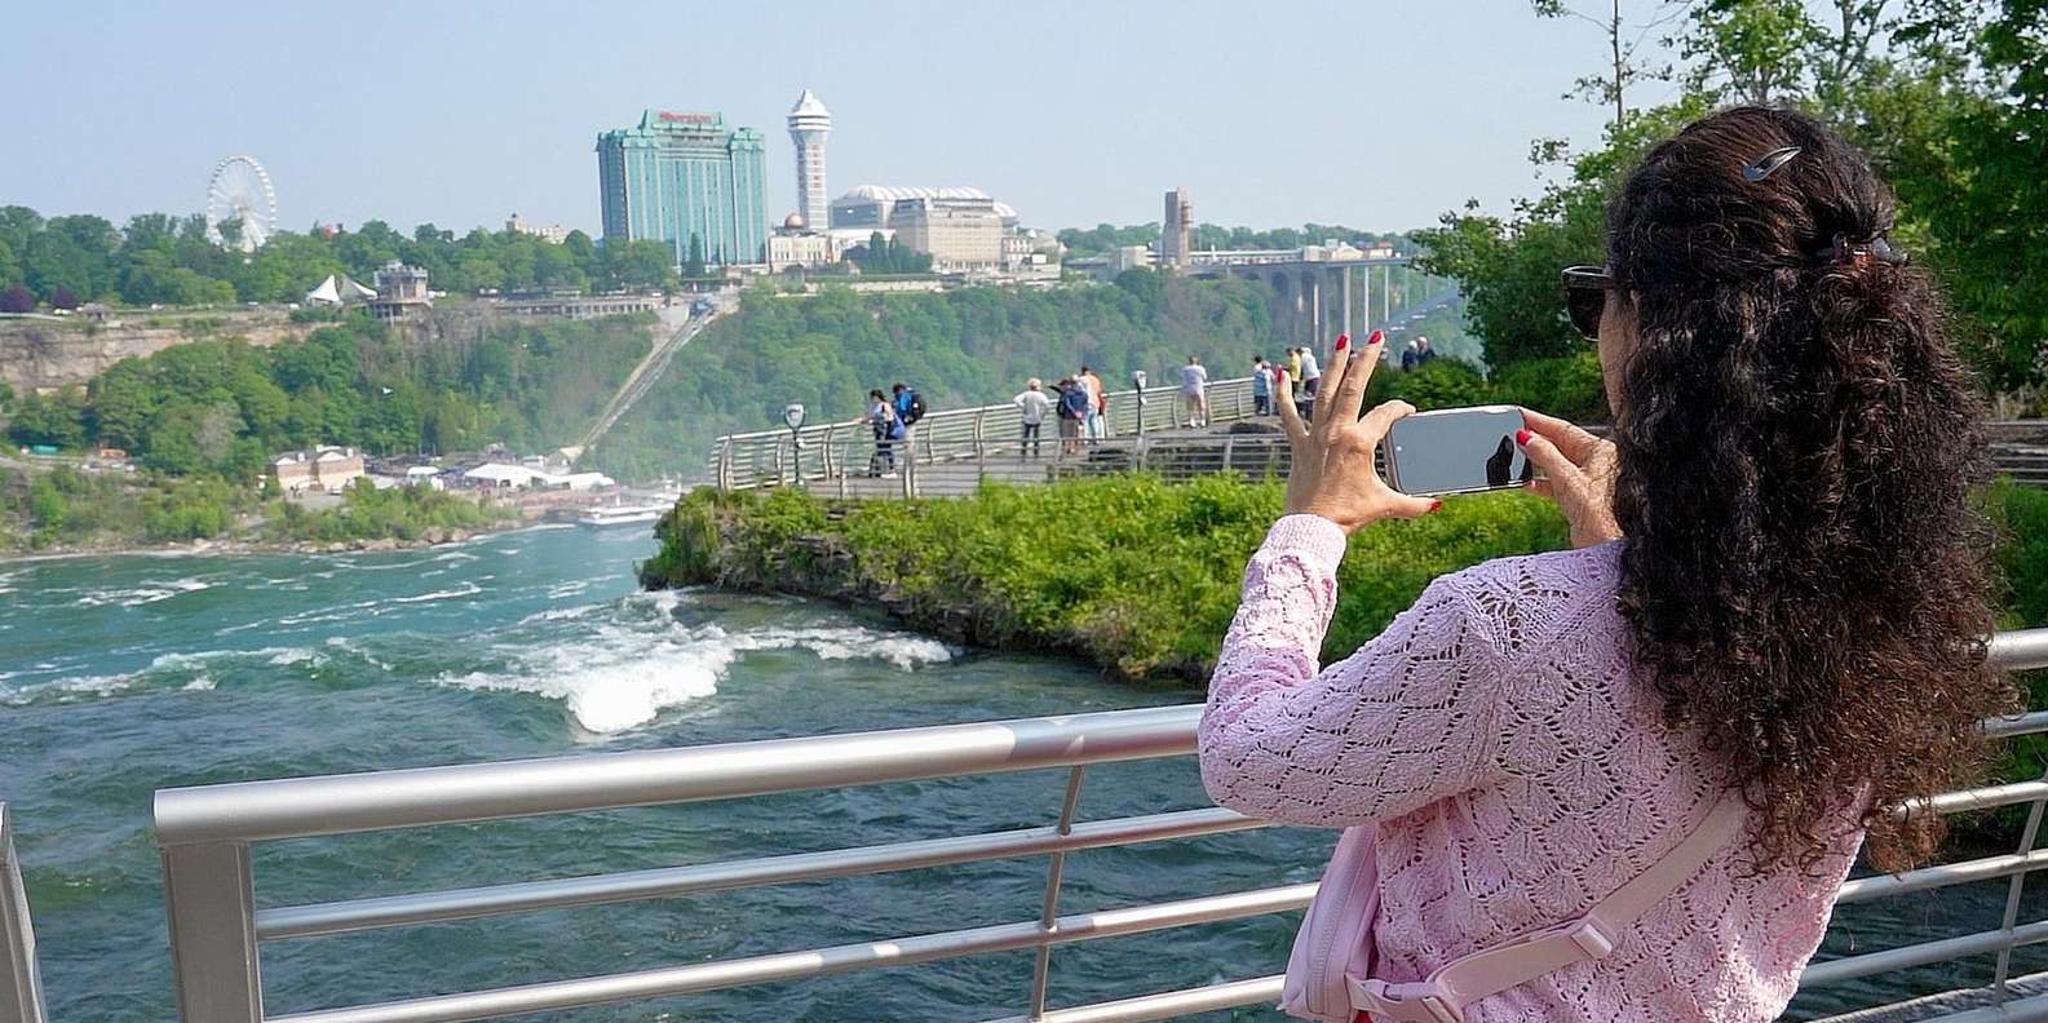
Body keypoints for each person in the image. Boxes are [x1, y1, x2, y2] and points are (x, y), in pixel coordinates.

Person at [1198, 107, 2005, 1023]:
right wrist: (1630, 548)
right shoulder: (1879, 624)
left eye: (1597, 298)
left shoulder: (1506, 624)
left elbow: (1247, 758)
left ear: (1659, 329)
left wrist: (1310, 528)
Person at [864, 388, 902, 478]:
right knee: (881, 449)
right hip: (877, 430)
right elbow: (870, 416)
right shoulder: (873, 406)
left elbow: (890, 417)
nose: (872, 399)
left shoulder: (884, 405)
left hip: (885, 430)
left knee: (886, 449)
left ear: (877, 397)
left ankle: (891, 470)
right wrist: (862, 420)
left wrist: (879, 420)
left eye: (873, 397)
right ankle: (882, 470)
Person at [1013, 377, 1051, 460]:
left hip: (1027, 418)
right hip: (1037, 418)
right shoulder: (1041, 395)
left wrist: (1023, 407)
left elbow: (1016, 400)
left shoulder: (1026, 394)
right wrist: (1042, 415)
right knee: (1036, 437)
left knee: (1025, 437)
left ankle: (1023, 453)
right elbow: (1047, 406)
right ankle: (1036, 454)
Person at [1054, 376, 1088, 456]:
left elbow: (1067, 403)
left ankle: (1067, 449)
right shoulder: (1083, 394)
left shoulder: (1068, 393)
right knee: (1076, 433)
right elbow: (1085, 404)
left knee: (1067, 434)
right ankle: (1075, 449)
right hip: (1079, 416)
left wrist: (1073, 412)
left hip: (1067, 416)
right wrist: (1082, 413)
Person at [1178, 355, 1209, 428]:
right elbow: (1205, 377)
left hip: (1189, 388)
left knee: (1190, 407)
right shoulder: (1200, 368)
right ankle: (1202, 421)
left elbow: (1183, 378)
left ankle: (1192, 421)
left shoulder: (1185, 369)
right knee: (1201, 405)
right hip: (1198, 388)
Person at [1079, 364, 1107, 442]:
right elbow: (1098, 390)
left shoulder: (1081, 379)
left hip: (1086, 403)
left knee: (1086, 422)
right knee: (1094, 421)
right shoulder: (1095, 379)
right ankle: (1096, 438)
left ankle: (1086, 439)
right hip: (1096, 402)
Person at [1297, 343, 1323, 421]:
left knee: (1309, 397)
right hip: (1314, 377)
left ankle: (1310, 415)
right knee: (1310, 396)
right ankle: (1309, 414)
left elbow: (1300, 368)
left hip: (1311, 378)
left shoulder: (1303, 357)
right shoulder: (1311, 357)